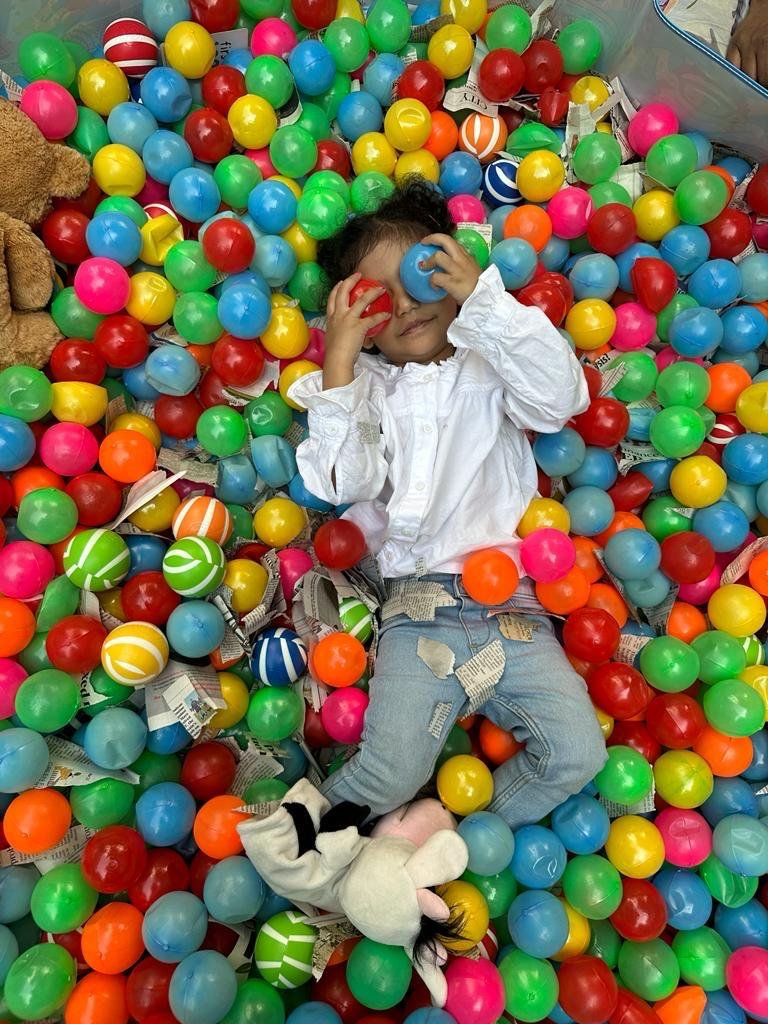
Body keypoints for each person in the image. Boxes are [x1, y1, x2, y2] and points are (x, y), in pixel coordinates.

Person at [287, 178, 607, 829]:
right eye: (378, 301)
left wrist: (483, 301)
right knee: (390, 769)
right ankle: (310, 848)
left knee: (578, 753)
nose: (406, 307)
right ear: (359, 325)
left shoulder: (489, 363)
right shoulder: (362, 389)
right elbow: (339, 482)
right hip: (419, 614)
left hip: (515, 612)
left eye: (421, 279)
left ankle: (443, 842)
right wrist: (341, 361)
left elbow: (562, 398)